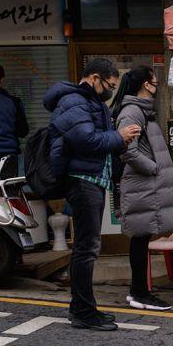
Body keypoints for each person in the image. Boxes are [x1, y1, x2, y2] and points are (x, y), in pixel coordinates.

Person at [45, 59, 140, 331]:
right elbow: (86, 140)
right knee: (86, 249)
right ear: (95, 78)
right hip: (83, 180)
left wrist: (118, 138)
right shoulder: (74, 102)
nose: (111, 90)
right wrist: (119, 136)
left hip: (93, 179)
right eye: (109, 85)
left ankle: (84, 308)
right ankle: (83, 311)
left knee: (88, 248)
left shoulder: (90, 102)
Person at [112, 66, 173, 312]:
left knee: (141, 238)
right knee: (140, 239)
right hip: (141, 184)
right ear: (146, 85)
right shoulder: (132, 112)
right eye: (155, 82)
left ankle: (139, 292)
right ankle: (140, 293)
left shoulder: (140, 111)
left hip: (144, 185)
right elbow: (127, 150)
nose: (157, 86)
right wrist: (153, 168)